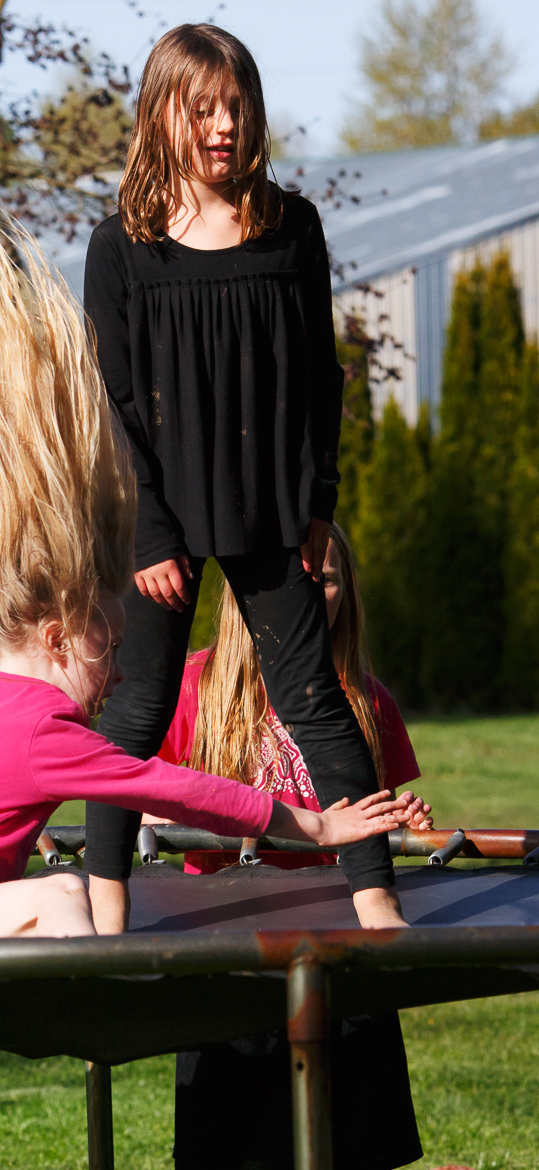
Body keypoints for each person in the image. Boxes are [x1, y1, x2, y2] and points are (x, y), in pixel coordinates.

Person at [0, 226, 412, 946]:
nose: (119, 670)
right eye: (108, 647)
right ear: (56, 637)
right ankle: (101, 1000)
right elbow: (182, 789)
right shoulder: (48, 730)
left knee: (50, 893)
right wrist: (316, 823)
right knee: (64, 892)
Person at [81, 23, 407, 935]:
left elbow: (317, 376)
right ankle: (106, 901)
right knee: (137, 713)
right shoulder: (123, 248)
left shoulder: (291, 227)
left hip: (270, 509)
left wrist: (317, 503)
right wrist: (148, 531)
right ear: (164, 116)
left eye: (237, 107)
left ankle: (375, 896)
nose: (223, 126)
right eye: (203, 109)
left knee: (318, 705)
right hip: (166, 524)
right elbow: (115, 401)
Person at [147, 523, 431, 1170]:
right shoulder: (193, 688)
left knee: (353, 1145)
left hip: (342, 935)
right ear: (247, 592)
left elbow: (389, 820)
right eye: (296, 578)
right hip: (225, 935)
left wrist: (403, 820)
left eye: (331, 578)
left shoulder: (364, 698)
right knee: (209, 1147)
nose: (313, 593)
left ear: (349, 594)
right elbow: (153, 813)